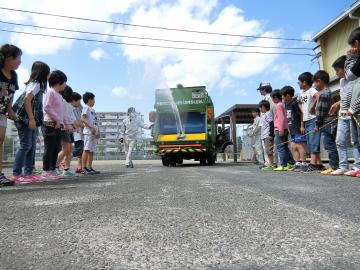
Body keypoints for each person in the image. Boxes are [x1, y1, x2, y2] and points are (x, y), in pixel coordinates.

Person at [11, 61, 50, 182]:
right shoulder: (36, 84)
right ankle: (17, 174)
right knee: (25, 145)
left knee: (31, 146)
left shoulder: (39, 85)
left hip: (29, 119)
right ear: (43, 73)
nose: (49, 75)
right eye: (48, 72)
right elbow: (27, 100)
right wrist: (32, 119)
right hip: (24, 119)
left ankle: (28, 173)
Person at [0, 44, 22, 186]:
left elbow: (11, 94)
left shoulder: (13, 75)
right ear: (8, 58)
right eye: (18, 57)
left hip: (2, 113)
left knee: (0, 141)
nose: (20, 61)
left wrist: (10, 109)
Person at [329, 56, 354, 175]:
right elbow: (344, 97)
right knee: (339, 141)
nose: (336, 73)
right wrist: (337, 104)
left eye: (337, 70)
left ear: (346, 68)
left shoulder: (355, 78)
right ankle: (343, 166)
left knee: (356, 141)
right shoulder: (341, 81)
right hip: (342, 115)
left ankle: (357, 166)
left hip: (354, 113)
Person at [41, 70, 67, 180]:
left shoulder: (59, 96)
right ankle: (46, 170)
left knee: (56, 148)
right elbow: (47, 107)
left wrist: (63, 123)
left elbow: (62, 112)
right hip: (50, 124)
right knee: (50, 148)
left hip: (57, 126)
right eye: (64, 82)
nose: (65, 85)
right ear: (59, 82)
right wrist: (57, 120)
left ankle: (52, 169)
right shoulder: (50, 92)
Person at [312, 70, 339, 174]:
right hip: (330, 122)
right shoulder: (328, 92)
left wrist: (317, 125)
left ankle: (334, 167)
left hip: (327, 123)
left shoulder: (323, 94)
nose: (314, 85)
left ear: (319, 81)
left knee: (329, 145)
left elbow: (320, 112)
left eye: (315, 83)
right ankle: (335, 166)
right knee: (331, 144)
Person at [297, 72, 324, 172]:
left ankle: (312, 164)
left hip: (313, 118)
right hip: (306, 120)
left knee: (314, 141)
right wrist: (303, 109)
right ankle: (319, 164)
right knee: (310, 142)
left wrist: (313, 106)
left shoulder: (311, 90)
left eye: (299, 82)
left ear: (304, 82)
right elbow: (299, 102)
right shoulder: (300, 93)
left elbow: (318, 96)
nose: (298, 84)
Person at [343, 27, 360, 177]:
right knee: (356, 140)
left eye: (352, 46)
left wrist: (350, 57)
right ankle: (358, 167)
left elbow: (349, 75)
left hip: (356, 110)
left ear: (356, 43)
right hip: (355, 110)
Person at [282, 86, 307, 172]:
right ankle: (297, 163)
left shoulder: (294, 103)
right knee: (293, 146)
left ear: (288, 95)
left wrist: (302, 125)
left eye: (283, 96)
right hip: (291, 127)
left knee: (300, 145)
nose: (282, 98)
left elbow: (301, 114)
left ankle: (304, 164)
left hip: (297, 127)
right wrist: (288, 127)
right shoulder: (286, 104)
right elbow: (287, 117)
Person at [271, 90, 294, 171]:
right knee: (285, 147)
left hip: (280, 129)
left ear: (275, 98)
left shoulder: (278, 105)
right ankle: (291, 163)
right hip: (284, 128)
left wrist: (280, 130)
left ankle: (283, 165)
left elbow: (281, 118)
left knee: (280, 147)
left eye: (272, 98)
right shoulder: (282, 104)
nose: (272, 100)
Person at [56, 85, 77, 176]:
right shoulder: (63, 103)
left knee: (69, 150)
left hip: (69, 129)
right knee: (65, 149)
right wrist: (73, 125)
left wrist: (74, 126)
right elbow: (67, 118)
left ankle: (66, 169)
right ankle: (55, 167)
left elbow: (71, 118)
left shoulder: (68, 105)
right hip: (64, 128)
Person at [81, 92, 100, 175]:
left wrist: (98, 131)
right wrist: (91, 127)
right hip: (88, 133)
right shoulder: (86, 108)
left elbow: (96, 122)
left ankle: (89, 167)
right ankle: (83, 168)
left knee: (91, 151)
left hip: (93, 133)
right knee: (86, 149)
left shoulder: (93, 110)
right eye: (93, 99)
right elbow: (83, 119)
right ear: (89, 100)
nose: (94, 101)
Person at [258, 100, 275, 170]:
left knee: (269, 150)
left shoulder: (268, 113)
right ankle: (269, 164)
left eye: (260, 107)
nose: (260, 109)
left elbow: (271, 123)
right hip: (264, 135)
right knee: (267, 151)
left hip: (268, 135)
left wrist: (271, 134)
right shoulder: (264, 114)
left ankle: (271, 165)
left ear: (264, 107)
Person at [71, 92, 84, 174]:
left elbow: (83, 115)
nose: (80, 103)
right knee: (78, 149)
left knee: (81, 151)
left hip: (81, 130)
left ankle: (79, 167)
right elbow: (73, 120)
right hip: (75, 130)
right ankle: (65, 159)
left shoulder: (79, 106)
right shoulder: (69, 107)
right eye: (79, 101)